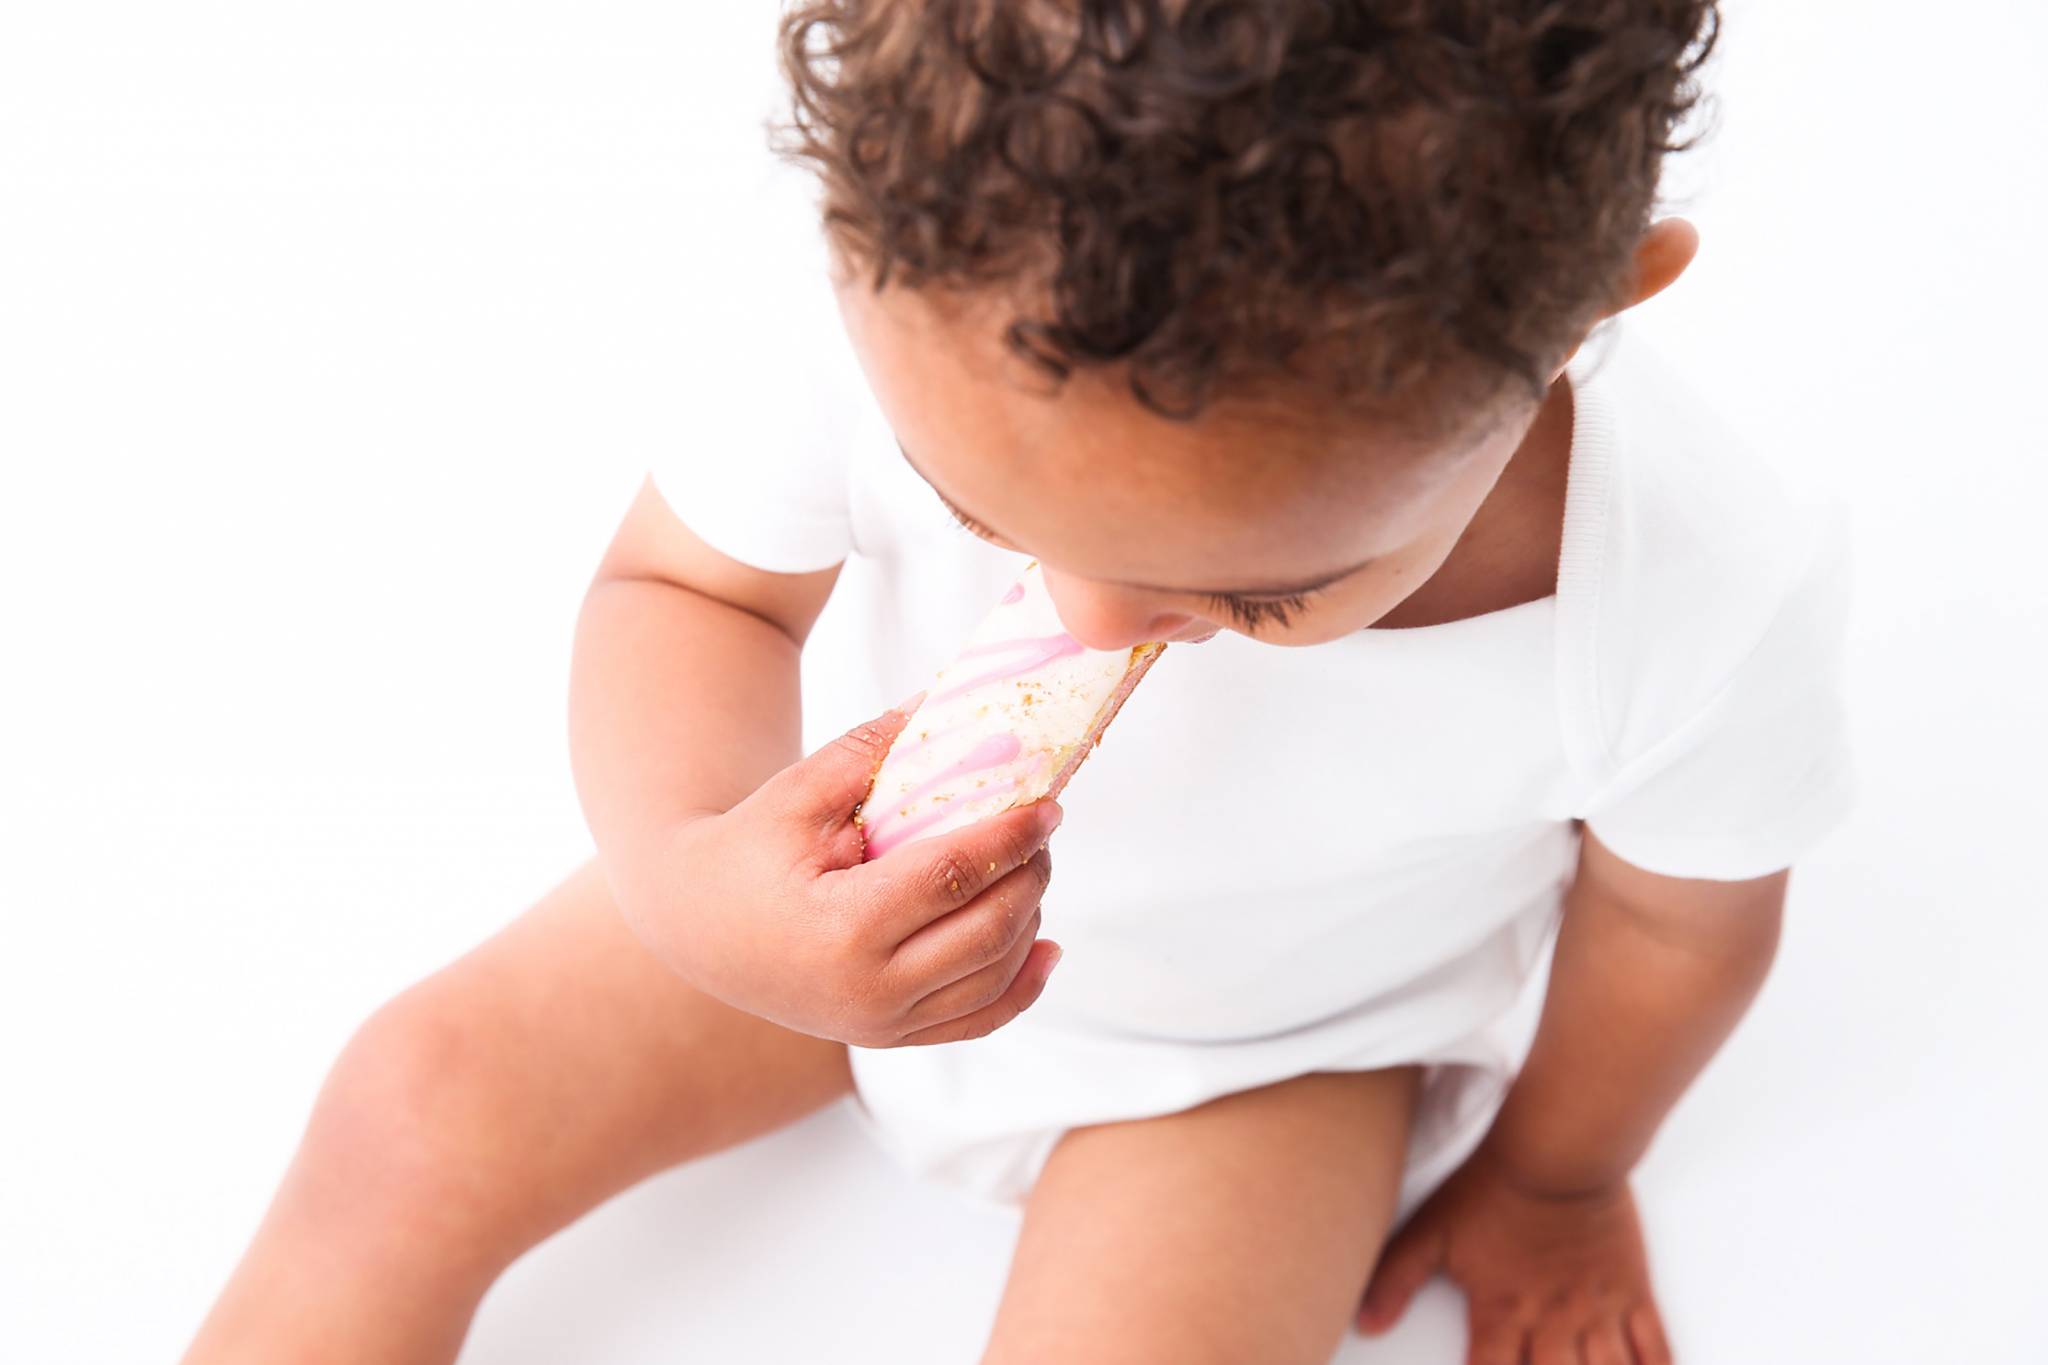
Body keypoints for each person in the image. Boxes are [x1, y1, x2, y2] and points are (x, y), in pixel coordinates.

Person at [183, 3, 1860, 1362]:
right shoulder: (916, 299)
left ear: (1577, 320)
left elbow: (1678, 925)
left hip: (1263, 1060)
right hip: (848, 869)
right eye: (977, 509)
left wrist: (1558, 1179)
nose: (1086, 613)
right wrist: (701, 885)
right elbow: (684, 590)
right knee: (407, 1111)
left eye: (1260, 592)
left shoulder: (1690, 589)